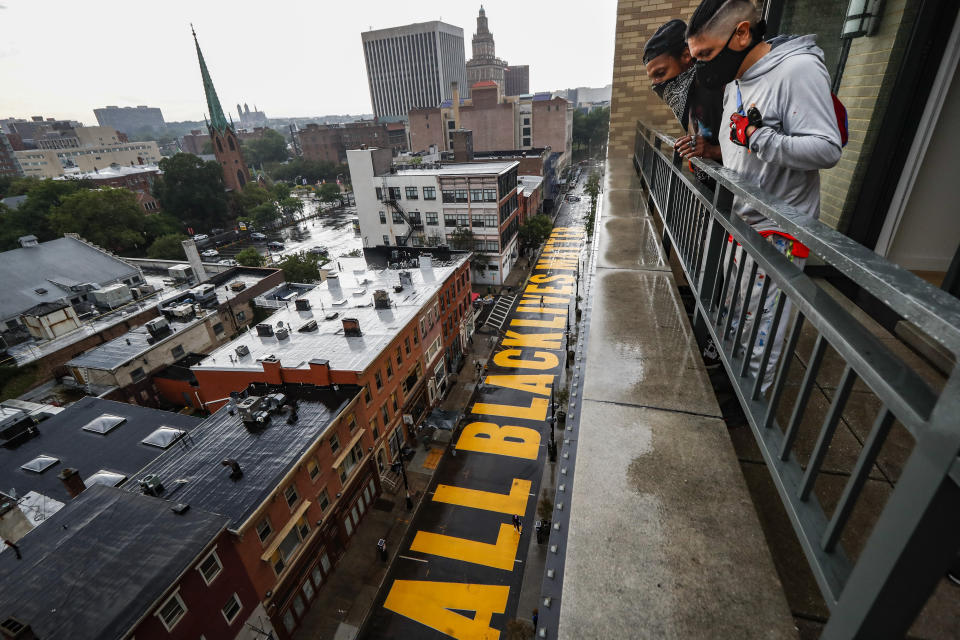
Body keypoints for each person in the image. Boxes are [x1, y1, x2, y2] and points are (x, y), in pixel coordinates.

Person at [686, 0, 842, 390]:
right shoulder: (736, 81)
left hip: (779, 229)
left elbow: (826, 148)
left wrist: (759, 138)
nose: (701, 65)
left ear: (741, 33)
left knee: (765, 326)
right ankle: (734, 380)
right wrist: (713, 152)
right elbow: (740, 148)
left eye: (705, 54)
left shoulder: (797, 70)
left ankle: (751, 399)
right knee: (740, 311)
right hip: (740, 220)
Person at [643, 19, 724, 169]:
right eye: (652, 78)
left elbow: (756, 146)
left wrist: (713, 151)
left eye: (660, 73)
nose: (656, 84)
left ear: (686, 55)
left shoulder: (719, 86)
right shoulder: (689, 93)